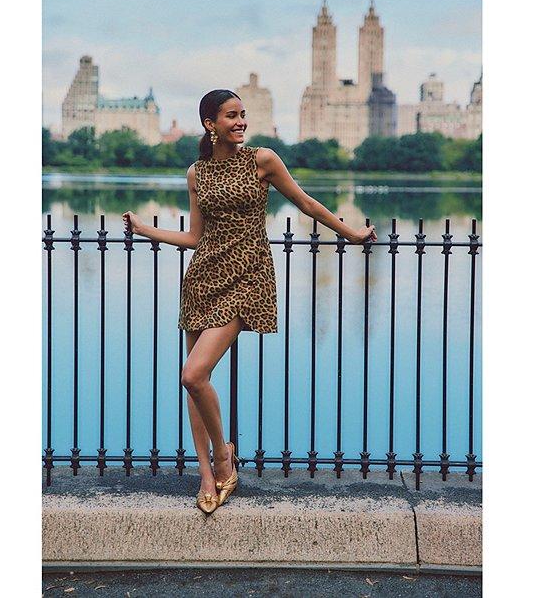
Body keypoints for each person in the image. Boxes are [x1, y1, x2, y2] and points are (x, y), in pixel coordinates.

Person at [122, 89, 377, 515]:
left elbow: (305, 203)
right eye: (231, 115)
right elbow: (195, 237)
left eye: (242, 114)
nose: (240, 121)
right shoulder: (197, 173)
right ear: (210, 124)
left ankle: (224, 456)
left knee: (192, 375)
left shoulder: (263, 160)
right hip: (202, 279)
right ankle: (207, 474)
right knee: (196, 383)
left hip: (247, 279)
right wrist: (145, 229)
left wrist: (350, 233)